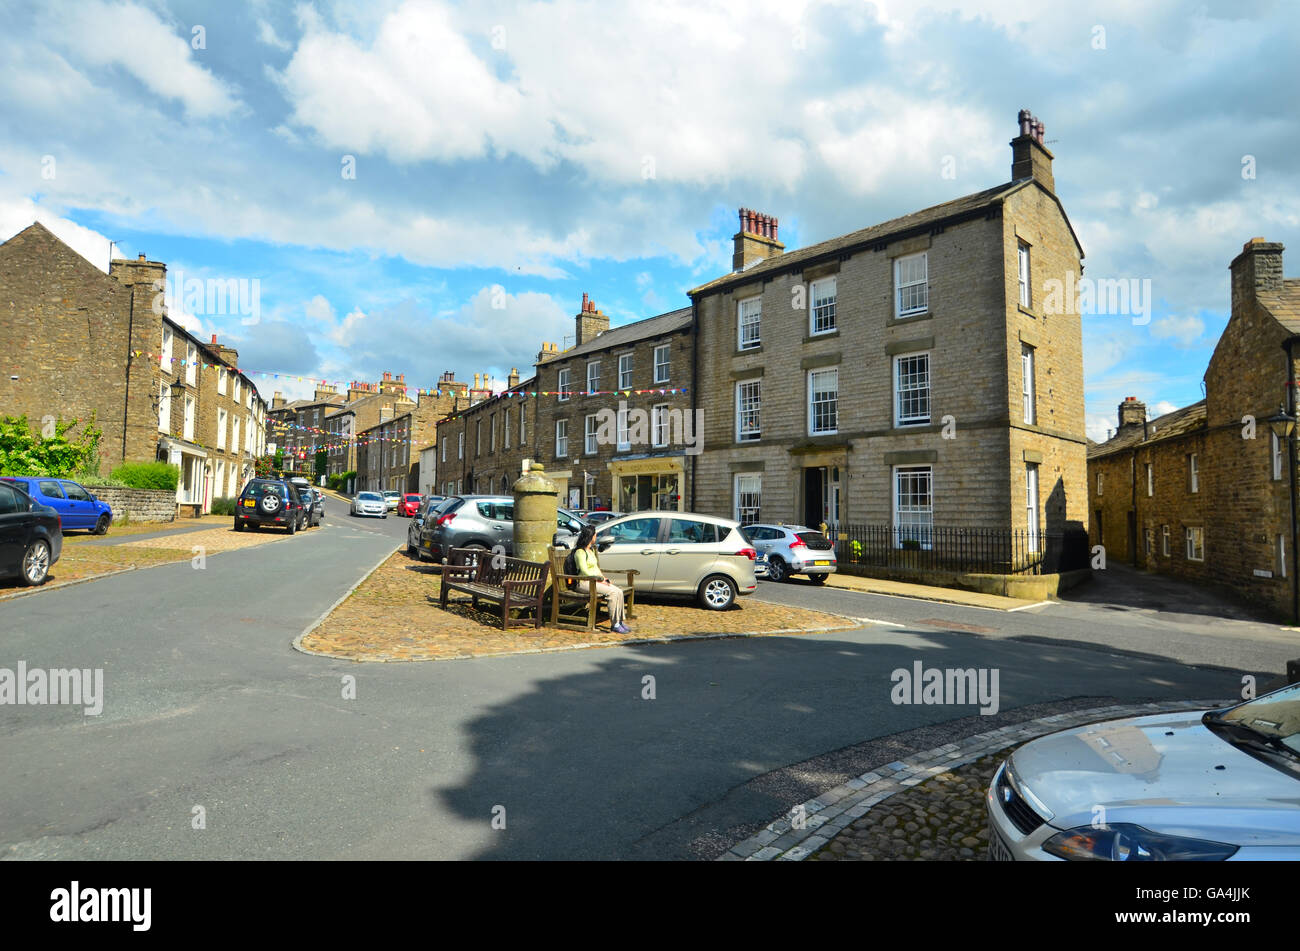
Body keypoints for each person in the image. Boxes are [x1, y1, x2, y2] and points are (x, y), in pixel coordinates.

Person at [572, 525, 630, 634]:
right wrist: (599, 579)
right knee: (612, 593)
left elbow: (595, 568)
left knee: (619, 591)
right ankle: (615, 624)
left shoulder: (591, 551)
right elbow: (584, 571)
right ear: (590, 536)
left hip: (595, 581)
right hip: (584, 582)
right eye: (595, 535)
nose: (596, 537)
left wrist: (604, 578)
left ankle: (620, 621)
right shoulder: (580, 552)